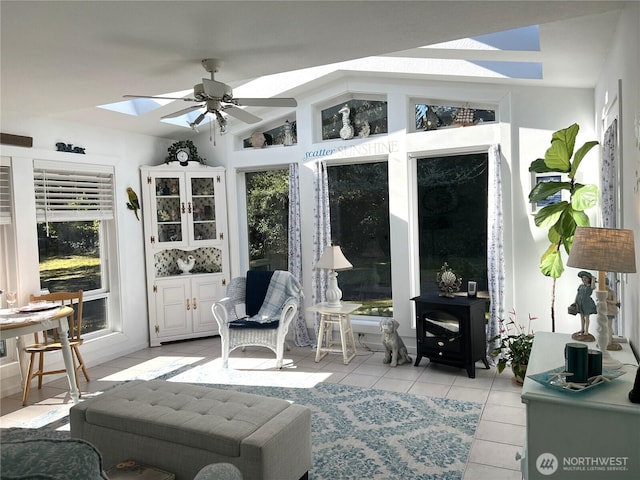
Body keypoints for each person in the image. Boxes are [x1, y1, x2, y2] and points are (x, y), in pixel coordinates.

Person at [572, 270, 596, 341]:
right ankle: (582, 329)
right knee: (581, 316)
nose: (584, 280)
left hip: (587, 303)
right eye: (583, 278)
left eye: (586, 278)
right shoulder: (581, 286)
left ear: (589, 279)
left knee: (587, 317)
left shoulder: (590, 286)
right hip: (580, 302)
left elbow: (593, 287)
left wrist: (593, 279)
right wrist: (575, 301)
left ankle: (586, 330)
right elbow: (578, 294)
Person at [605, 277, 622, 350]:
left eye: (605, 284)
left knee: (608, 325)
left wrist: (607, 300)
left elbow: (614, 302)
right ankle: (609, 338)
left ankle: (609, 341)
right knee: (605, 326)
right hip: (604, 311)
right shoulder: (602, 292)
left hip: (610, 311)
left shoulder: (611, 292)